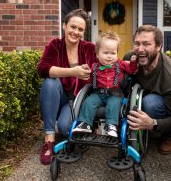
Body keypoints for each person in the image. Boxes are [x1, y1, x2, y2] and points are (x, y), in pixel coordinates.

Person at [37, 9, 97, 165]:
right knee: (50, 82)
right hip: (59, 95)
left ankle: (79, 124)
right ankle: (49, 140)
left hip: (78, 99)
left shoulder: (89, 48)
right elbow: (42, 69)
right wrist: (73, 71)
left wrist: (127, 63)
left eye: (80, 29)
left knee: (64, 129)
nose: (76, 32)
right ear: (64, 26)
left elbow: (106, 64)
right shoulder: (55, 45)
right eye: (73, 27)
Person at [125, 25, 171, 155]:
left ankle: (167, 136)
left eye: (146, 44)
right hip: (138, 99)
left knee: (150, 102)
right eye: (137, 43)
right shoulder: (130, 58)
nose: (140, 49)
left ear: (158, 46)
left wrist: (152, 124)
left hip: (156, 103)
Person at [72, 31, 137, 138]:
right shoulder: (94, 66)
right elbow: (88, 81)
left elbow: (132, 70)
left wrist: (133, 63)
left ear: (117, 53)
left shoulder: (120, 64)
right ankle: (85, 124)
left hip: (115, 94)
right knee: (89, 101)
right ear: (97, 54)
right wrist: (86, 72)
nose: (109, 56)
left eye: (113, 53)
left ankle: (111, 126)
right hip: (98, 93)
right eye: (105, 53)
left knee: (113, 103)